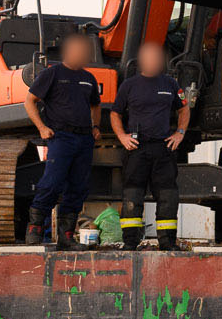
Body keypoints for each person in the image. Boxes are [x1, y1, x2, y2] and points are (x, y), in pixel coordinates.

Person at [23, 32, 102, 249]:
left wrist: (95, 127)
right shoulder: (53, 73)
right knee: (52, 183)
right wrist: (42, 128)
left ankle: (66, 237)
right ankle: (35, 231)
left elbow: (96, 105)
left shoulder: (89, 78)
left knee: (78, 187)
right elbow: (29, 101)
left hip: (84, 139)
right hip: (61, 137)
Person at [109, 41, 189, 250]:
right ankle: (130, 243)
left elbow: (184, 109)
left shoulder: (171, 84)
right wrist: (122, 137)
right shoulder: (129, 85)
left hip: (163, 149)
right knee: (132, 198)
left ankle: (167, 243)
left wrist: (179, 133)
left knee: (168, 198)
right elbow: (115, 113)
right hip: (136, 149)